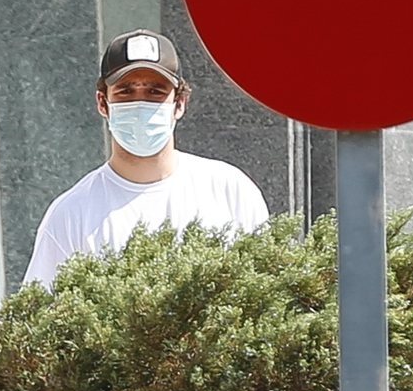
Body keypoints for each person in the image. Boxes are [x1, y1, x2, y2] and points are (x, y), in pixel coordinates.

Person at [22, 29, 269, 288]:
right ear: (103, 103)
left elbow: (269, 295)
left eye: (155, 91)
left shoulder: (230, 191)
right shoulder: (72, 213)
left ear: (180, 103)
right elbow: (39, 318)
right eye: (125, 91)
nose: (140, 103)